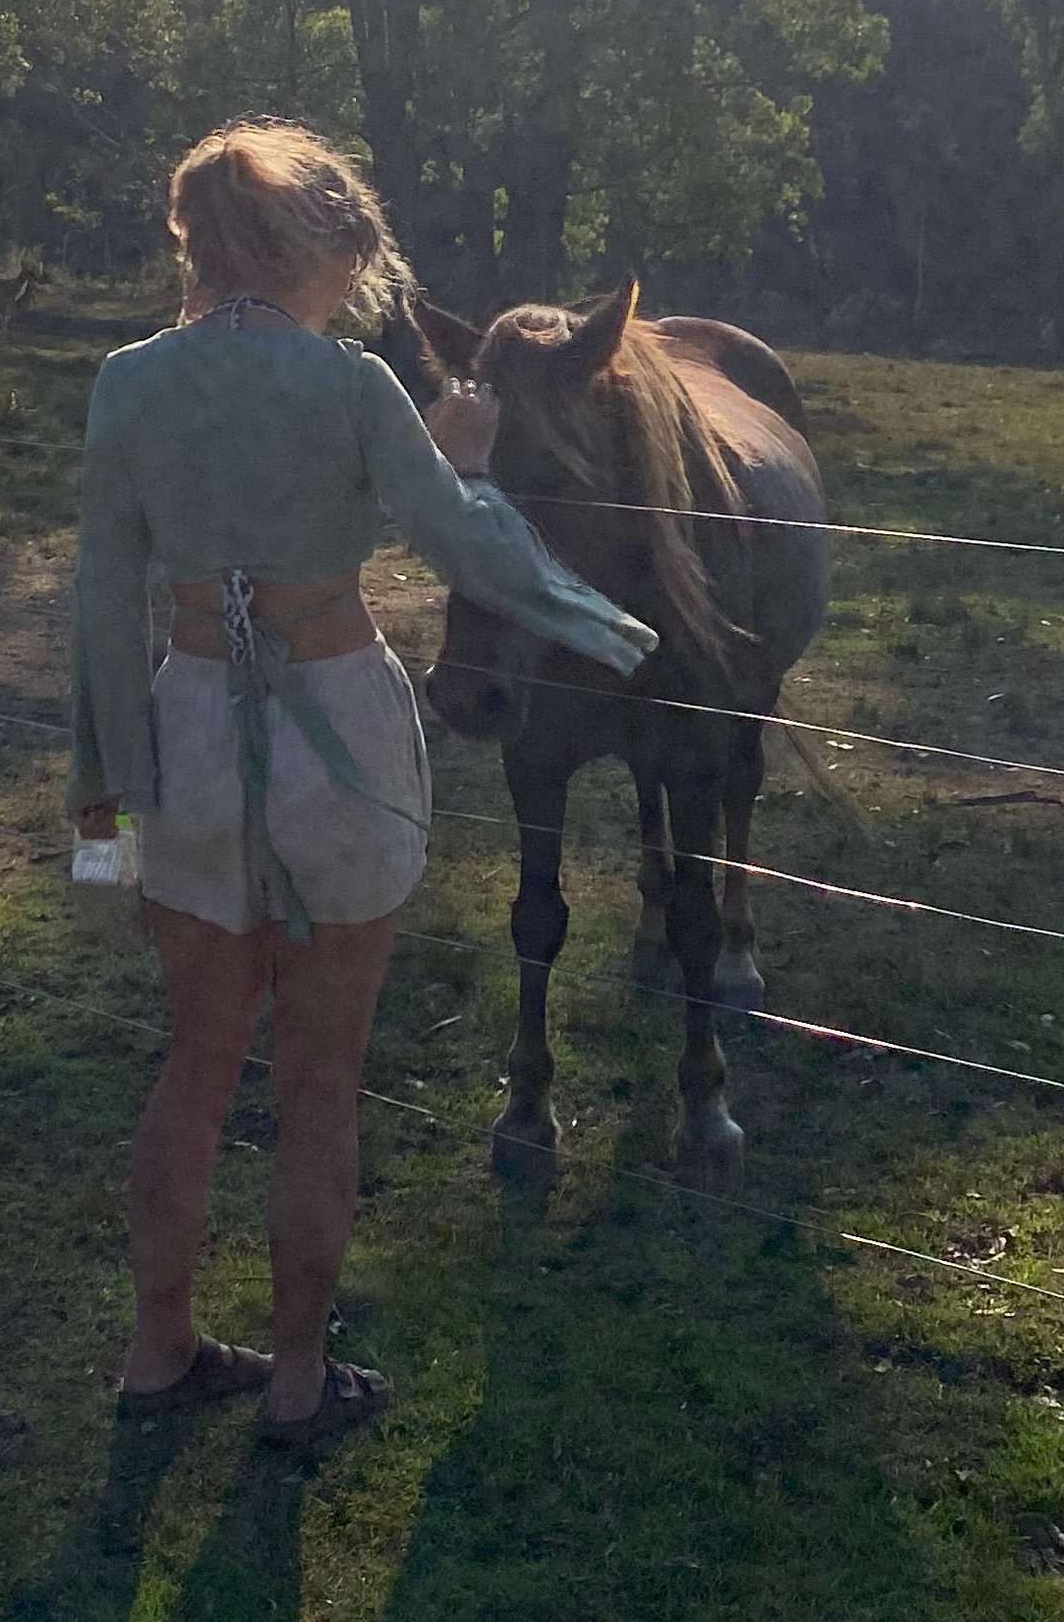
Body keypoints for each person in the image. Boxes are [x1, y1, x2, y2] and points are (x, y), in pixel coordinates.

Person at [70, 121, 658, 1457]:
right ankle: (297, 1378)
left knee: (195, 1063)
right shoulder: (353, 386)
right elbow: (470, 548)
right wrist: (583, 595)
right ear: (320, 248)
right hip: (335, 733)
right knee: (321, 1081)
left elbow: (102, 600)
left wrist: (101, 799)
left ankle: (158, 1351)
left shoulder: (127, 383)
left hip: (187, 739)